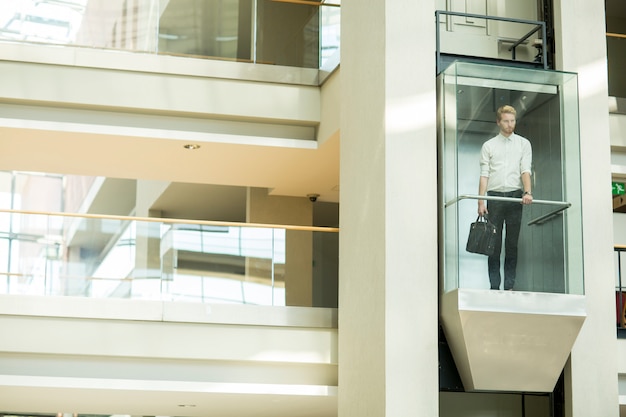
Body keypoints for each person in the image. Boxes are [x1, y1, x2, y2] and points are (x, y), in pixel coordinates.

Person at [477, 105, 533, 291]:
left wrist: (527, 192)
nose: (510, 125)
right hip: (494, 196)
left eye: (513, 121)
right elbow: (484, 174)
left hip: (515, 197)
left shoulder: (523, 144)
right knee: (493, 245)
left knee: (512, 245)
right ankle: (494, 287)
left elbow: (525, 169)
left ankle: (509, 286)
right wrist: (481, 201)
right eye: (506, 121)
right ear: (498, 122)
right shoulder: (489, 146)